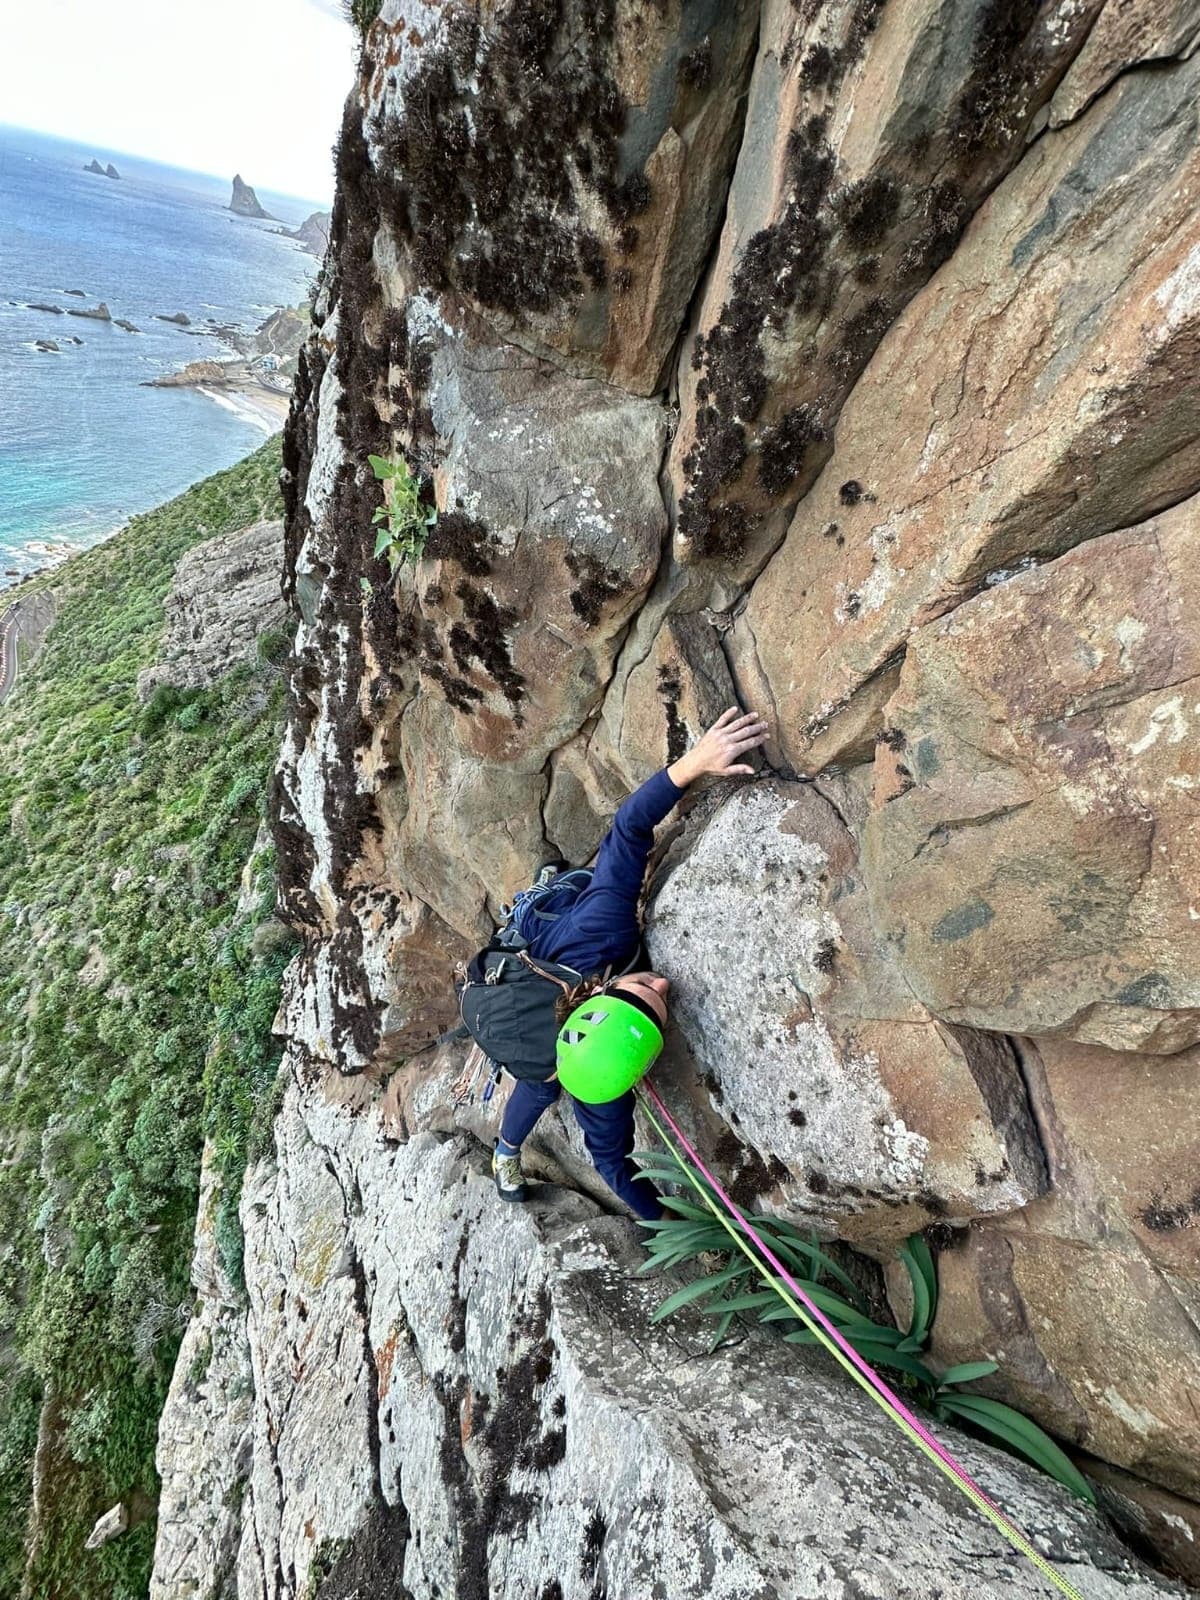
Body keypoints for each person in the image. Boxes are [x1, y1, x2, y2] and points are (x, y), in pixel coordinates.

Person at [491, 707, 769, 1218]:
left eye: (644, 990)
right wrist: (662, 1223)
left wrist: (696, 763)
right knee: (539, 1077)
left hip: (555, 943)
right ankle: (505, 1150)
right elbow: (612, 1163)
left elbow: (630, 826)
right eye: (659, 1003)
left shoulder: (602, 931)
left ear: (602, 992)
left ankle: (542, 895)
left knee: (546, 1068)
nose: (662, 983)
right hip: (537, 1003)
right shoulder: (595, 1075)